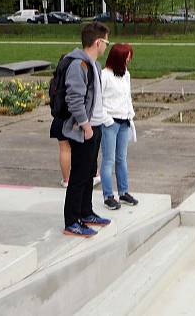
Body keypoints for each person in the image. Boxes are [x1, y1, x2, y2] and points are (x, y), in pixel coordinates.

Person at [61, 22, 113, 237]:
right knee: (79, 176)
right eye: (106, 42)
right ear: (98, 42)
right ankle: (71, 221)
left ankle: (86, 212)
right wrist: (85, 125)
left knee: (89, 173)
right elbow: (74, 99)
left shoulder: (95, 65)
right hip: (84, 129)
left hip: (96, 126)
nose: (106, 47)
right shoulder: (78, 65)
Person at [99, 43, 139, 210]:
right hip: (110, 122)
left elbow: (127, 96)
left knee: (121, 158)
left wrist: (130, 114)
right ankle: (108, 195)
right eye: (126, 58)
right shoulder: (104, 75)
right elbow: (97, 101)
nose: (128, 61)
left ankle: (123, 192)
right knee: (108, 159)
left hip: (124, 121)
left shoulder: (125, 75)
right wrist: (107, 120)